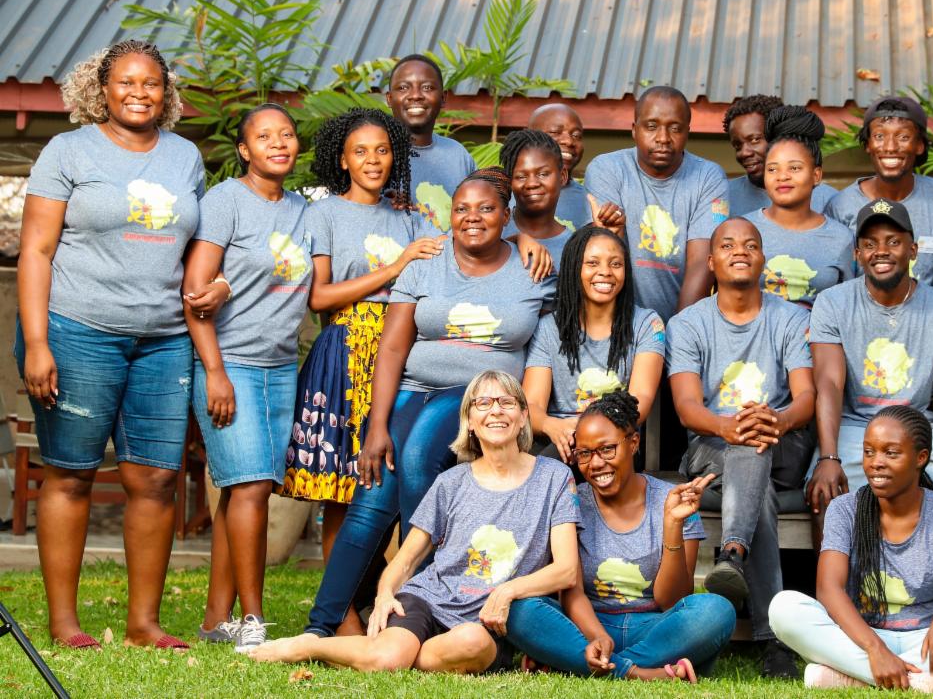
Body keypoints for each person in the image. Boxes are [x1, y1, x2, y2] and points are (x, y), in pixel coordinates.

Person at [15, 39, 214, 651]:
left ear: (166, 92)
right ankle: (64, 623)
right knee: (71, 473)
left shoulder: (185, 157)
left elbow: (199, 250)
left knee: (155, 478)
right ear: (101, 89)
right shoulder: (68, 150)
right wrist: (37, 341)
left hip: (164, 339)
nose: (138, 93)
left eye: (151, 83)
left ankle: (143, 625)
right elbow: (36, 251)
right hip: (77, 330)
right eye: (126, 82)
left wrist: (219, 285)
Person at [302, 168, 556, 639]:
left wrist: (526, 240)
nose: (473, 217)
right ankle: (322, 625)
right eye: (462, 209)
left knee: (417, 455)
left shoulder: (533, 269)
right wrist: (377, 426)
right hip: (412, 389)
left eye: (486, 209)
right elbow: (392, 348)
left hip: (476, 394)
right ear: (449, 216)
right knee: (372, 496)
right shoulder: (426, 262)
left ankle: (422, 602)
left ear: (506, 216)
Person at [249, 371, 580, 673]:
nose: (495, 411)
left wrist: (509, 591)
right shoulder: (451, 483)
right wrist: (384, 594)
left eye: (506, 402)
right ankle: (309, 647)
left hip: (489, 620)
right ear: (469, 421)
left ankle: (395, 653)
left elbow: (566, 569)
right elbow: (407, 559)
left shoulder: (554, 477)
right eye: (483, 403)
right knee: (387, 659)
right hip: (429, 600)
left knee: (471, 642)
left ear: (523, 417)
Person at [806, 200, 933, 620]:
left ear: (913, 250)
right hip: (855, 426)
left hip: (917, 426)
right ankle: (846, 624)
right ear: (857, 253)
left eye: (893, 241)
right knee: (826, 493)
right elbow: (829, 383)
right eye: (870, 243)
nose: (881, 251)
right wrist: (828, 457)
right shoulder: (832, 303)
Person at [278, 108, 444, 563]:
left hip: (403, 352)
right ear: (343, 159)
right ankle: (343, 600)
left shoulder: (409, 218)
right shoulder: (324, 213)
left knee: (392, 477)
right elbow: (319, 296)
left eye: (382, 150)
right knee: (343, 489)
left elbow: (461, 248)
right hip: (346, 354)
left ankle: (385, 591)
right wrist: (395, 267)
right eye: (361, 151)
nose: (373, 160)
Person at [184, 103, 312, 651]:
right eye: (264, 137)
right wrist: (215, 372)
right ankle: (253, 618)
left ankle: (217, 620)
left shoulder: (306, 210)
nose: (278, 143)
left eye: (287, 134)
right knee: (253, 486)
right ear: (244, 150)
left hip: (281, 368)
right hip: (230, 362)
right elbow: (195, 293)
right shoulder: (225, 201)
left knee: (241, 488)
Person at [770, 406, 933, 691]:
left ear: (921, 458)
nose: (876, 463)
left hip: (928, 638)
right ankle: (925, 680)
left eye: (891, 453)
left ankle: (853, 677)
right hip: (861, 636)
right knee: (783, 608)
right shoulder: (844, 509)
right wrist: (874, 649)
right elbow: (828, 589)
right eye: (869, 451)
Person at [667, 217, 815, 677]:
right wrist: (728, 427)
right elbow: (687, 408)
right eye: (728, 245)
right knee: (754, 474)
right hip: (710, 451)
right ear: (711, 262)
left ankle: (732, 553)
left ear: (763, 259)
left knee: (755, 448)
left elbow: (806, 398)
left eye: (750, 245)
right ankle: (774, 641)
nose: (740, 252)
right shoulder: (688, 324)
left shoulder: (791, 318)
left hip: (781, 443)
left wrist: (778, 419)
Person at [506, 391, 736, 681]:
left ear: (633, 443)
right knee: (520, 610)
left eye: (607, 449)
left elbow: (672, 599)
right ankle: (642, 672)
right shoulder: (571, 501)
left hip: (654, 626)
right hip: (588, 624)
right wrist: (598, 637)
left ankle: (580, 663)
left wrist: (672, 525)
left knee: (716, 610)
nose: (596, 464)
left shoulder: (672, 501)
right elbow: (571, 592)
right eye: (584, 453)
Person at [584, 85, 728, 322]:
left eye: (675, 128)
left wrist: (680, 333)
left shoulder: (708, 177)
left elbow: (701, 264)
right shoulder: (607, 169)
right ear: (634, 130)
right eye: (651, 127)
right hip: (616, 321)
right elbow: (604, 258)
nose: (663, 138)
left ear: (688, 132)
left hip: (684, 319)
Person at [524, 225, 665, 460]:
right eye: (592, 263)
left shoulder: (647, 324)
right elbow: (532, 405)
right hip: (561, 441)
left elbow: (641, 399)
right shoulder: (549, 328)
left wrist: (589, 431)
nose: (605, 272)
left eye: (616, 264)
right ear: (573, 268)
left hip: (616, 441)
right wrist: (551, 425)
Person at [824, 96, 933, 284]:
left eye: (903, 137)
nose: (890, 147)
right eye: (879, 136)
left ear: (919, 145)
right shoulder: (842, 206)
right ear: (868, 144)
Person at [742, 104, 854, 307]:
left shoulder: (840, 238)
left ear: (816, 175)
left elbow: (847, 306)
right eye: (772, 169)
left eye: (794, 168)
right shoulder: (742, 229)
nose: (782, 176)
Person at [385, 54, 475, 234]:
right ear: (389, 98)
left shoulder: (458, 155)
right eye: (403, 87)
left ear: (443, 97)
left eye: (427, 87)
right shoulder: (374, 155)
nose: (416, 95)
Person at [724, 94, 839, 216]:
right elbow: (714, 226)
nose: (744, 153)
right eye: (737, 146)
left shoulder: (828, 200)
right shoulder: (722, 195)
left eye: (755, 140)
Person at [499, 129, 573, 269]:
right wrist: (516, 239)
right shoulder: (494, 229)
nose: (532, 183)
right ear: (509, 182)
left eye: (543, 174)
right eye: (521, 176)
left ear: (562, 176)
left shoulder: (574, 247)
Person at [529, 102, 592, 231]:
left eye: (576, 135)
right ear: (528, 137)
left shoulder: (591, 200)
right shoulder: (501, 194)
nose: (569, 141)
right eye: (555, 132)